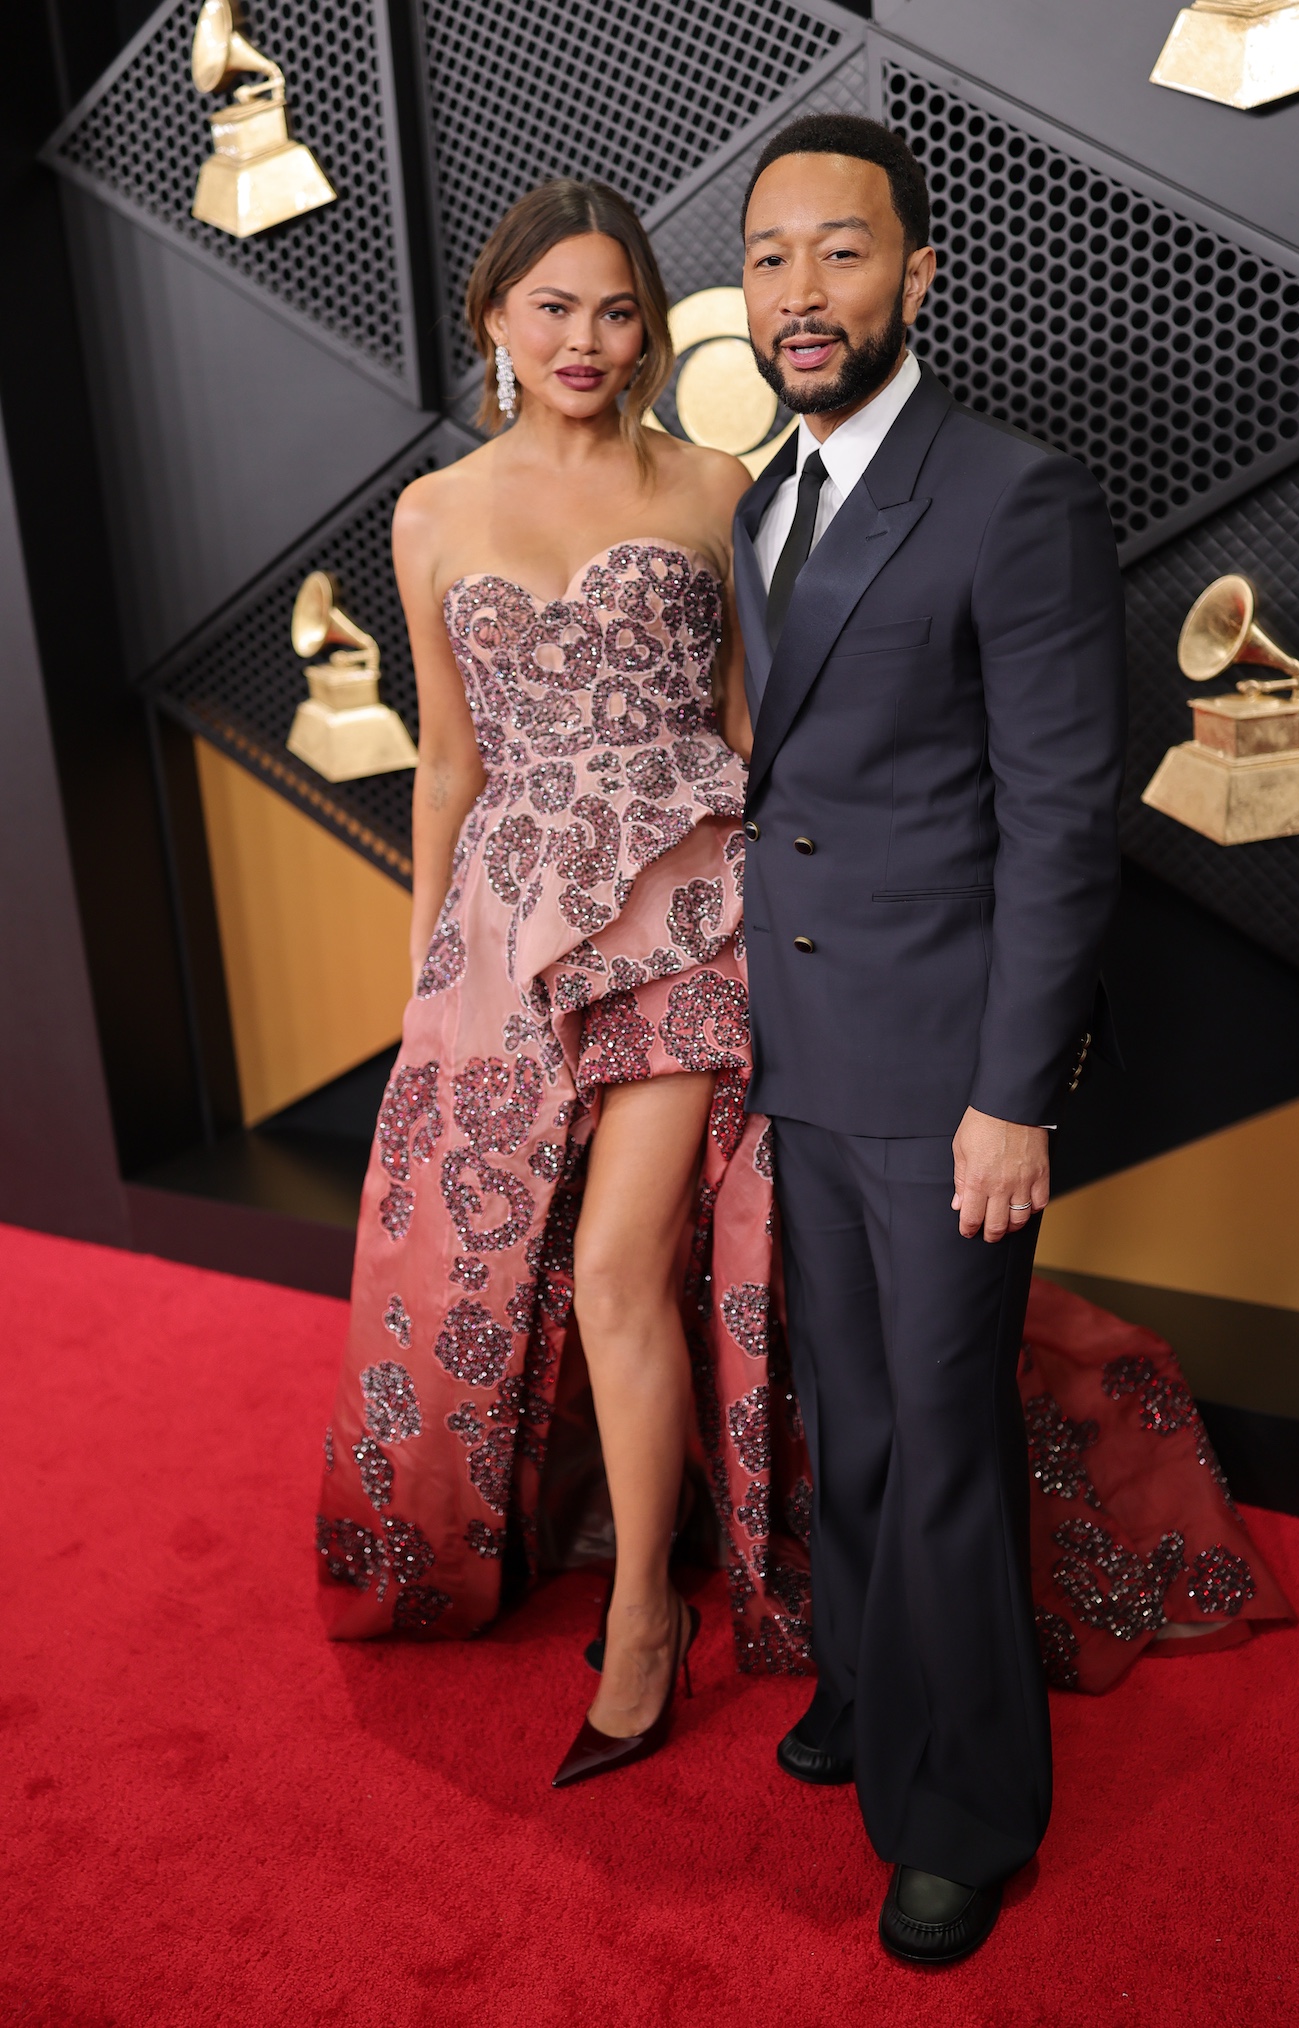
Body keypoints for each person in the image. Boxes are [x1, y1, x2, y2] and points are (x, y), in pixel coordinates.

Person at [314, 178, 814, 1787]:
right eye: (554, 309)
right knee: (517, 1263)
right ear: (494, 324)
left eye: (615, 311)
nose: (586, 340)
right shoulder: (433, 513)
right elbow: (449, 761)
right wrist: (429, 972)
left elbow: (758, 728)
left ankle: (655, 1621)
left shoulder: (720, 484)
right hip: (514, 926)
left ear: (651, 329)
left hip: (687, 905)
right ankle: (620, 1530)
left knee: (615, 1260)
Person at [732, 112, 1128, 1965]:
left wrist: (1007, 1098)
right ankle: (881, 1691)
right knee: (858, 1421)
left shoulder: (1010, 492)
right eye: (766, 259)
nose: (798, 294)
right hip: (807, 1054)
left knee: (944, 1436)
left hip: (943, 1073)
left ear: (917, 278)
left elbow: (1063, 818)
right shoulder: (762, 494)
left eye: (838, 253)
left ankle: (968, 1801)